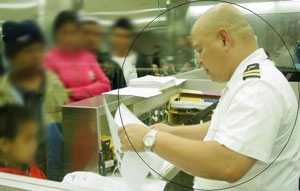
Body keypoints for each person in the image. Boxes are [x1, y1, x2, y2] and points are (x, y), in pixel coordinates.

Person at [119, 4, 300, 190]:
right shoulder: (246, 79)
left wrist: (151, 139)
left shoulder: (257, 87)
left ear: (224, 39)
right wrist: (170, 132)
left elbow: (228, 164)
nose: (198, 60)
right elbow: (221, 128)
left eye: (199, 50)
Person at [0, 20, 68, 179]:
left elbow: (61, 122)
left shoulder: (53, 84)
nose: (34, 56)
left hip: (49, 164)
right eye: (27, 51)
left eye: (38, 50)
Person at [45, 11, 111, 102]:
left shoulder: (87, 57)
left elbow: (105, 85)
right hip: (63, 113)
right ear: (56, 34)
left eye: (73, 33)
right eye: (64, 32)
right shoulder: (50, 59)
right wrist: (91, 90)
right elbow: (53, 94)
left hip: (90, 110)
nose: (69, 38)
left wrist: (72, 92)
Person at [0, 105, 46, 179]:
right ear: (4, 144)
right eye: (27, 139)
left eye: (35, 137)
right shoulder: (5, 180)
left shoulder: (35, 171)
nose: (35, 145)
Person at [80, 17, 126, 89]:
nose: (91, 38)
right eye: (86, 33)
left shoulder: (112, 67)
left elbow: (122, 96)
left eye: (95, 34)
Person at [110, 17, 153, 84]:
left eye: (126, 36)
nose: (122, 40)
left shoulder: (142, 60)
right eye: (118, 36)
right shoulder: (105, 61)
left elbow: (152, 83)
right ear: (112, 37)